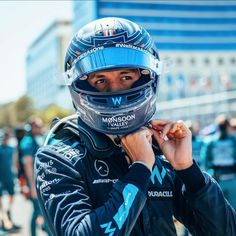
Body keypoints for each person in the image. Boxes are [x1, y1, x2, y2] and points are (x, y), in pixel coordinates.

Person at [35, 17, 236, 236]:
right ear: (79, 86)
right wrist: (140, 168)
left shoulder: (160, 155)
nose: (116, 94)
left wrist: (188, 169)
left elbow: (225, 231)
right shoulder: (57, 160)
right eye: (100, 81)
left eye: (126, 76)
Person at [20, 117, 48, 236]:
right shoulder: (27, 142)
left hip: (38, 181)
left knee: (41, 211)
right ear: (31, 128)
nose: (40, 128)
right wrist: (32, 186)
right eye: (38, 126)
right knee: (37, 211)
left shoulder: (35, 139)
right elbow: (28, 165)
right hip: (33, 182)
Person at [201, 114, 236, 208]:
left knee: (218, 209)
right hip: (233, 180)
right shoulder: (234, 140)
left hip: (216, 180)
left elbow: (204, 163)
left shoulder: (209, 142)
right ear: (228, 126)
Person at [0, 129, 21, 233]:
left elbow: (15, 162)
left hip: (9, 177)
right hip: (1, 178)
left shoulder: (11, 149)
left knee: (12, 196)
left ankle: (8, 216)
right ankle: (3, 221)